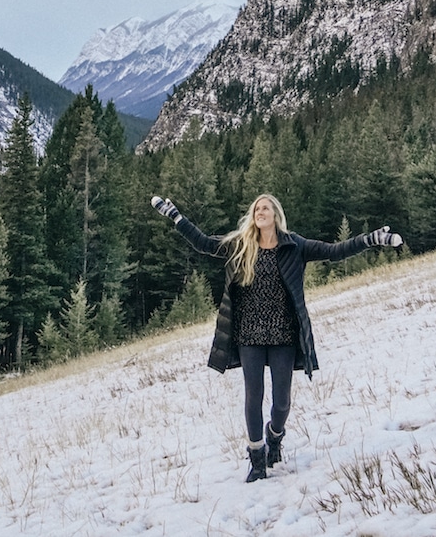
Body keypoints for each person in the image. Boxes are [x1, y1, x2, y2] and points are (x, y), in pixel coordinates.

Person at [151, 192, 402, 482]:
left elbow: (334, 251)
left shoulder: (294, 246)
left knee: (282, 402)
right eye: (257, 208)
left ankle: (275, 436)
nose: (261, 211)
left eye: (266, 207)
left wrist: (371, 240)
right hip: (249, 334)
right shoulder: (240, 245)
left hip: (283, 334)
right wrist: (175, 215)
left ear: (275, 214)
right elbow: (204, 243)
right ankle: (257, 460)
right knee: (253, 396)